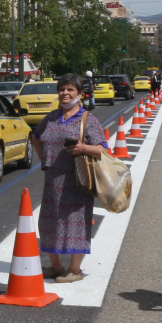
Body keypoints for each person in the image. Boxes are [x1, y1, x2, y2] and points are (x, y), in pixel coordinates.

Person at [31, 73, 108, 283]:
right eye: (62, 89)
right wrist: (43, 158)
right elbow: (36, 136)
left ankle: (75, 270)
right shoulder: (51, 117)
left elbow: (103, 149)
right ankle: (56, 267)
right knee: (48, 222)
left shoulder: (87, 119)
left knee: (75, 223)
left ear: (80, 94)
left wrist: (83, 147)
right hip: (52, 180)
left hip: (77, 181)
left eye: (70, 89)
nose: (65, 93)